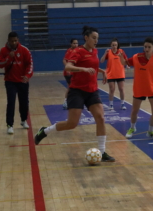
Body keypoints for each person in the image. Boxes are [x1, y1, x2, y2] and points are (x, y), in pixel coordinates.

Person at [34, 26, 115, 162]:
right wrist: (83, 69)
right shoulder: (78, 51)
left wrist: (102, 71)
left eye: (97, 38)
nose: (96, 41)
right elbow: (68, 67)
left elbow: (93, 65)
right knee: (72, 124)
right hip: (77, 91)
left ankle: (102, 152)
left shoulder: (95, 51)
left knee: (100, 117)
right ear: (86, 38)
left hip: (92, 91)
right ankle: (45, 131)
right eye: (94, 38)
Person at [0, 31, 33, 134]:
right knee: (11, 103)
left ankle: (23, 120)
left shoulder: (24, 50)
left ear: (18, 40)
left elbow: (30, 64)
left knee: (24, 102)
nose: (14, 43)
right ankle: (9, 125)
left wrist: (27, 75)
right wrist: (9, 57)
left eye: (15, 41)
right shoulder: (3, 50)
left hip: (22, 81)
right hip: (10, 82)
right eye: (12, 41)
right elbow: (0, 63)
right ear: (8, 40)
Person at [100, 38, 128, 110]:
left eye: (115, 45)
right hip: (111, 74)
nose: (114, 46)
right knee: (112, 89)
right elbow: (102, 61)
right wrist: (105, 53)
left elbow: (125, 60)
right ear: (111, 45)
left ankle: (122, 104)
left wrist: (127, 65)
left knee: (121, 89)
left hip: (120, 73)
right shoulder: (108, 52)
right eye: (113, 45)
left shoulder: (121, 51)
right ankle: (111, 104)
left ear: (117, 45)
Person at [62, 38, 79, 109]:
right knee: (70, 87)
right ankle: (66, 102)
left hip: (75, 72)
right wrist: (68, 69)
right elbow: (64, 60)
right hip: (68, 73)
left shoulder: (78, 51)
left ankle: (72, 101)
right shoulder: (69, 51)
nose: (75, 45)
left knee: (74, 87)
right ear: (71, 44)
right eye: (74, 43)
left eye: (76, 43)